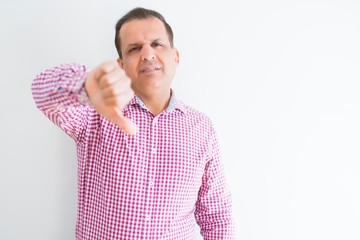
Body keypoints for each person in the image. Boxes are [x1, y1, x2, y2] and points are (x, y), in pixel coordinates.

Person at [32, 7, 234, 240]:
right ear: (121, 65)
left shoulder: (202, 128)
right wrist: (87, 86)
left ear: (175, 57)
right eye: (135, 48)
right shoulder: (93, 114)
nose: (147, 54)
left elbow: (217, 216)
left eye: (157, 44)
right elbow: (42, 92)